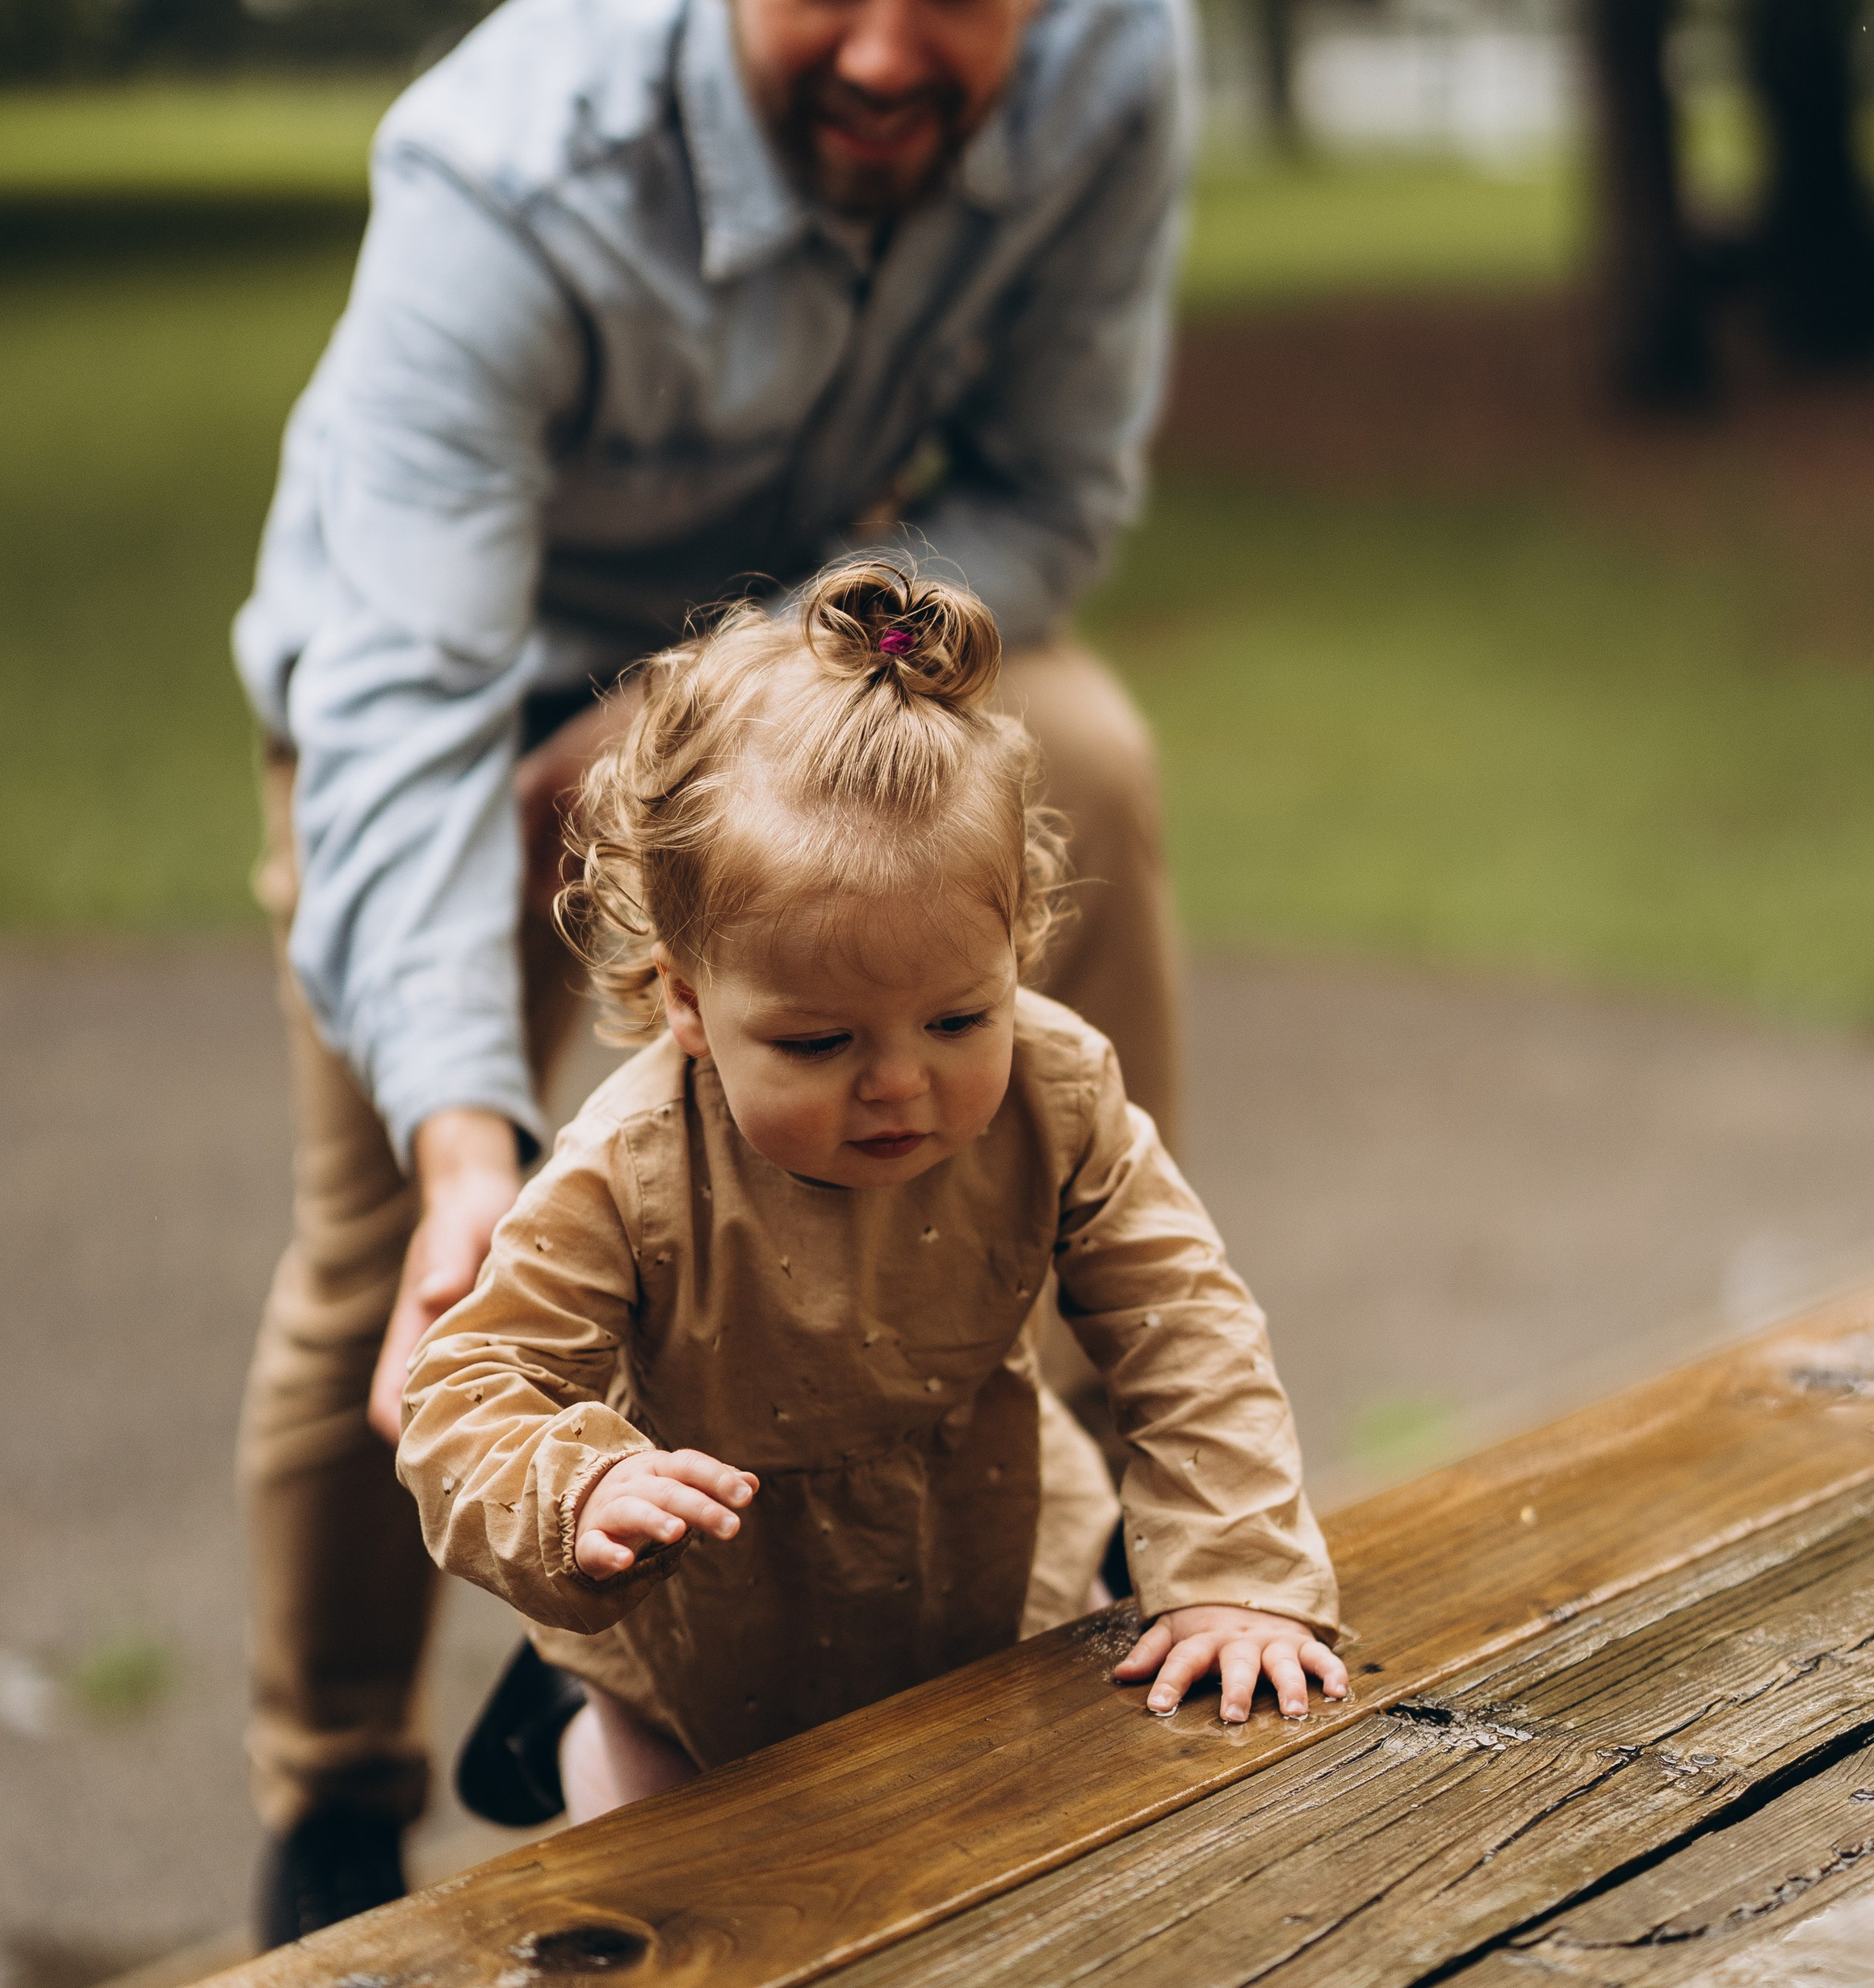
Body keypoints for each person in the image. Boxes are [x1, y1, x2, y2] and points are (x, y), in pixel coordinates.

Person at [232, 0, 1201, 1937]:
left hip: (795, 654)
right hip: (449, 713)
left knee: (1082, 745)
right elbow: (395, 687)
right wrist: (470, 1131)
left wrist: (716, 707)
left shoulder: (1119, 56)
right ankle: (334, 1785)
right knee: (405, 1244)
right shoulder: (505, 169)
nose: (893, 48)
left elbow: (1051, 506)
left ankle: (1124, 1471)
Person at [399, 564, 1343, 1819]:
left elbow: (1187, 1324)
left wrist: (1235, 1571)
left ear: (1017, 949)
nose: (900, 1084)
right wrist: (581, 1491)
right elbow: (464, 1396)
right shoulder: (628, 1170)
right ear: (687, 1000)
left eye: (959, 1016)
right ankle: (572, 1720)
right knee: (680, 1859)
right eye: (819, 1044)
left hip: (989, 1563)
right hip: (712, 1626)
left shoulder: (1056, 1089)